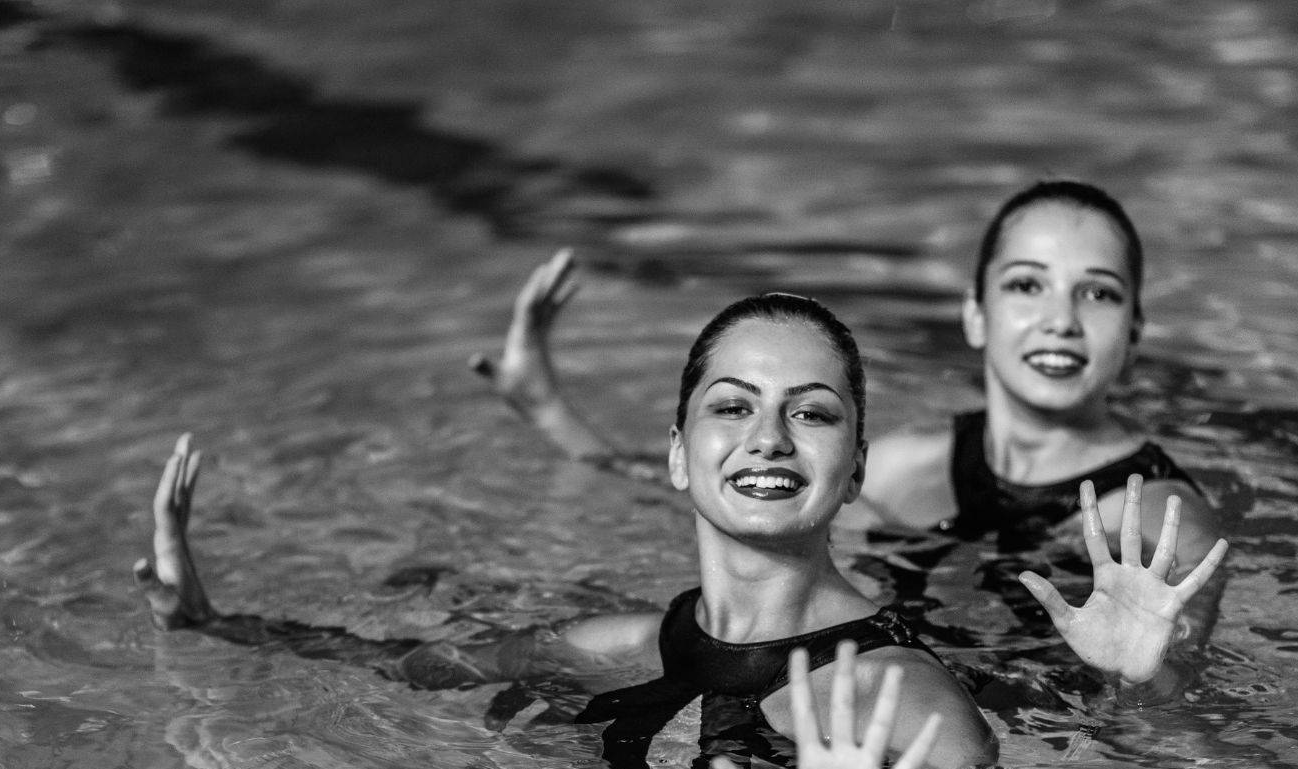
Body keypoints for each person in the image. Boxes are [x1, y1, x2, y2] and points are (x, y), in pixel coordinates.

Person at [137, 291, 1225, 769]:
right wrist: (214, 622)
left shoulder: (904, 704)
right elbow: (413, 665)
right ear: (675, 454)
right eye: (731, 406)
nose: (766, 436)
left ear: (852, 470)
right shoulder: (617, 645)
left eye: (811, 411)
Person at [474, 180, 1225, 688]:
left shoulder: (1156, 521)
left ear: (1133, 332)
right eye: (1027, 284)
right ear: (973, 314)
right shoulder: (906, 463)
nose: (1059, 320)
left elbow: (1170, 722)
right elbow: (716, 481)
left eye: (1097, 293)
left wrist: (1139, 682)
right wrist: (547, 408)